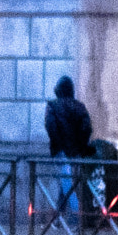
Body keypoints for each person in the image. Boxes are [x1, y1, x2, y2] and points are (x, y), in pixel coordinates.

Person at [45, 75, 95, 222]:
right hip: (76, 151)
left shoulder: (52, 106)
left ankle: (75, 216)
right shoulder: (80, 107)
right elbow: (87, 128)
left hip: (61, 151)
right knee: (66, 181)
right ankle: (58, 220)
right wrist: (80, 146)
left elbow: (51, 127)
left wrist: (59, 145)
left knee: (66, 181)